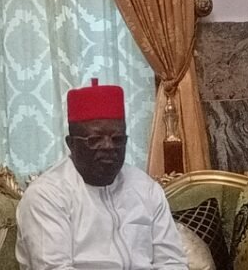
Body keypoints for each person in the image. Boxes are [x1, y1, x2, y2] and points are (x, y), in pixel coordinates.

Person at [16, 79, 188, 269]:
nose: (109, 147)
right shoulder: (46, 195)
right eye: (95, 139)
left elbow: (172, 261)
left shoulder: (146, 189)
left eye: (118, 139)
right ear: (71, 143)